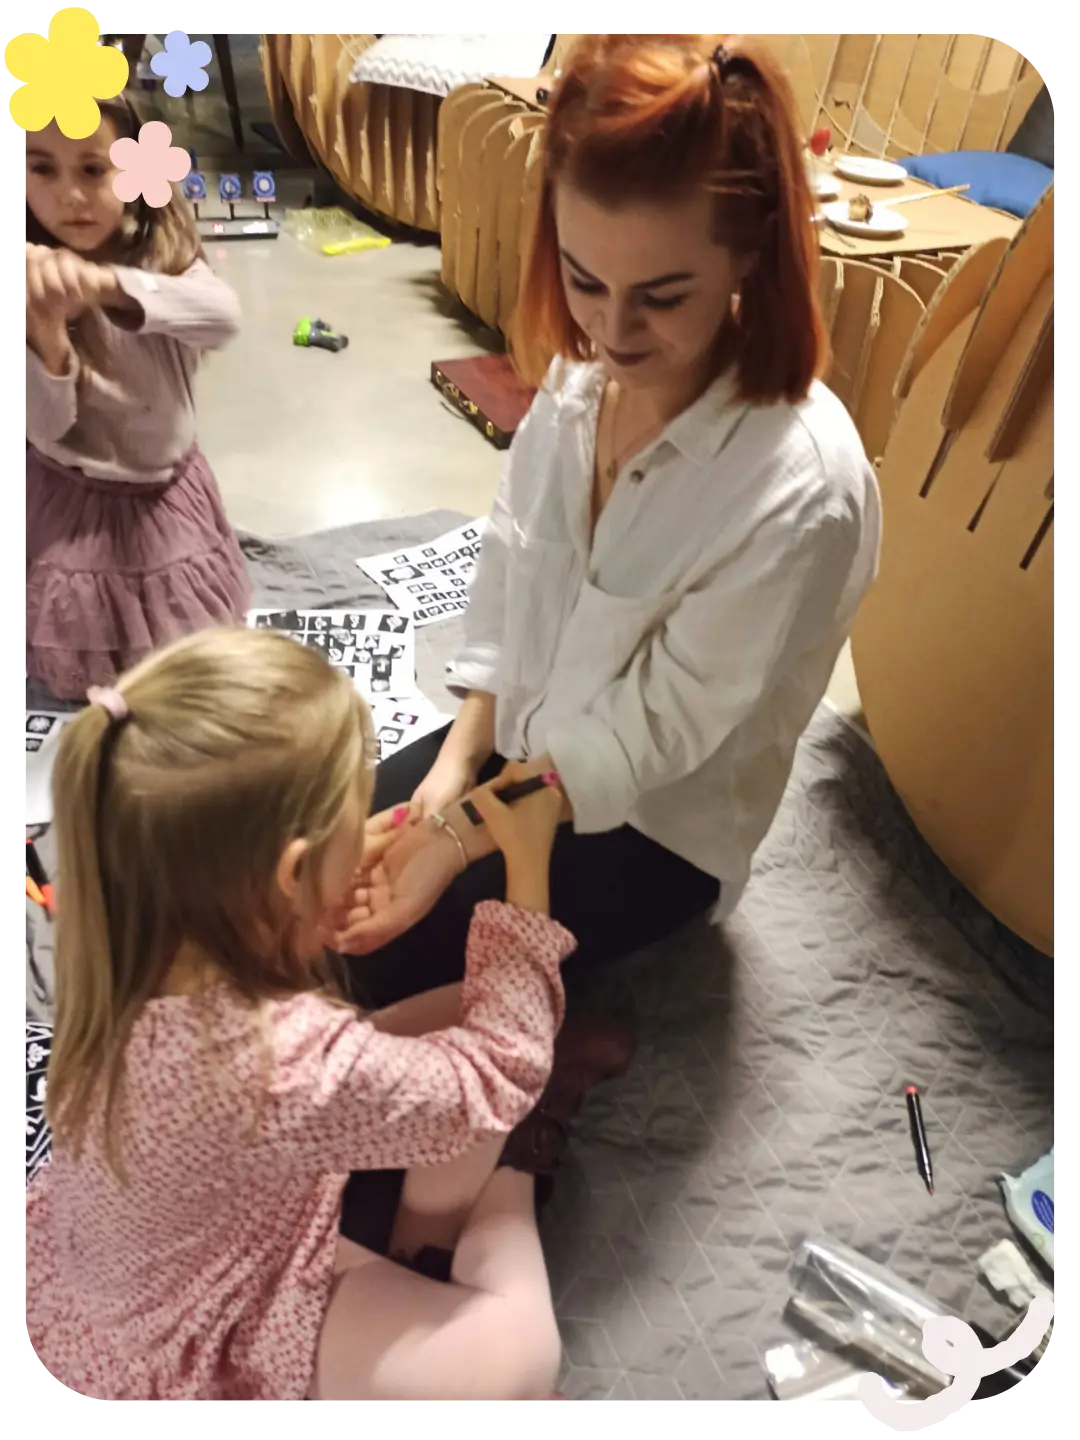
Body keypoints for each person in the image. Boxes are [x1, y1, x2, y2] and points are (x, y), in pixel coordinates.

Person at [331, 30, 883, 1010]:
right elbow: (511, 574)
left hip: (657, 825)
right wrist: (453, 770)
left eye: (662, 297)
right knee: (317, 872)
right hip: (527, 744)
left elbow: (653, 733)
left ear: (749, 253)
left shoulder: (800, 482)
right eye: (584, 280)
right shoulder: (583, 379)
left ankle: (567, 1043)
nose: (613, 332)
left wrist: (459, 832)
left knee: (373, 957)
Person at [23, 627, 627, 1405]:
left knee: (470, 1007)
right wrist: (528, 864)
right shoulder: (280, 1064)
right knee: (518, 1362)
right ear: (293, 871)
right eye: (357, 815)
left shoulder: (119, 935)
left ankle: (422, 1238)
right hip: (218, 1302)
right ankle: (511, 1178)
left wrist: (315, 891)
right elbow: (495, 1072)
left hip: (158, 1240)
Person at [23, 95, 250, 703]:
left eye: (93, 169)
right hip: (75, 502)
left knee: (187, 660)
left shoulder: (160, 258)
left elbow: (222, 318)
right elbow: (46, 426)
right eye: (42, 168)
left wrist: (107, 286)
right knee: (87, 649)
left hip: (163, 495)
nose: (70, 196)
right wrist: (45, 331)